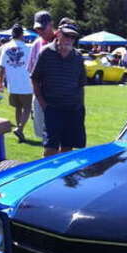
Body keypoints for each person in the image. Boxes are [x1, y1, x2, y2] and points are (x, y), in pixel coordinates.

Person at [30, 19, 86, 157]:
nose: (69, 39)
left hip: (72, 109)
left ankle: (63, 172)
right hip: (52, 108)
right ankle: (47, 171)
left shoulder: (78, 57)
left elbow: (81, 85)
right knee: (50, 148)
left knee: (67, 148)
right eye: (67, 35)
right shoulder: (45, 53)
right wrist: (43, 104)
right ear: (59, 34)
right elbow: (35, 79)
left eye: (73, 37)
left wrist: (80, 107)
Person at [0, 24, 33, 142]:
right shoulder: (28, 48)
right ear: (22, 34)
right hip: (25, 83)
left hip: (12, 84)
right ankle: (20, 128)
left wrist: (0, 82)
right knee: (27, 107)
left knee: (18, 107)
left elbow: (1, 67)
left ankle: (20, 132)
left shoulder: (5, 47)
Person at [27, 10, 55, 141]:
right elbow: (31, 72)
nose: (40, 31)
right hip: (40, 96)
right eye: (37, 28)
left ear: (51, 25)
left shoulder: (61, 42)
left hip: (58, 97)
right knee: (44, 136)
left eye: (43, 28)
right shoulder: (36, 44)